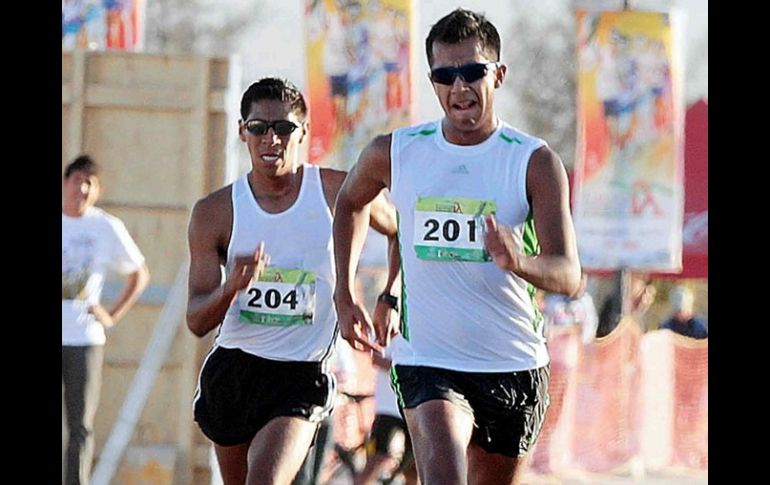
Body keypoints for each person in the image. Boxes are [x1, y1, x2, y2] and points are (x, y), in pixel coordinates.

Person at [333, 8, 581, 485]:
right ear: (434, 82)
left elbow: (569, 274)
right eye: (446, 75)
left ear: (498, 75)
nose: (459, 87)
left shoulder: (534, 162)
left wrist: (519, 260)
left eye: (472, 72)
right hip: (427, 360)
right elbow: (349, 203)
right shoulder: (398, 152)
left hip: (512, 363)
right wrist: (347, 296)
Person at [185, 77, 398, 485]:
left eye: (284, 128)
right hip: (234, 369)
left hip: (302, 372)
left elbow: (399, 232)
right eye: (258, 128)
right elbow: (196, 320)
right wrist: (231, 287)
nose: (271, 139)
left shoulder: (339, 191)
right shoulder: (215, 212)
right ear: (242, 132)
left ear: (302, 132)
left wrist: (389, 295)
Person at [62, 155, 151, 485]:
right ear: (65, 183)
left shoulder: (105, 227)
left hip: (84, 339)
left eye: (89, 183)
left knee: (80, 424)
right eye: (76, 180)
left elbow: (139, 274)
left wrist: (111, 314)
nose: (81, 189)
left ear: (97, 190)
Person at [596, 272, 656, 337]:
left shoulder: (641, 311)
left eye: (644, 281)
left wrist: (641, 309)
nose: (639, 285)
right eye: (638, 278)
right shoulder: (613, 304)